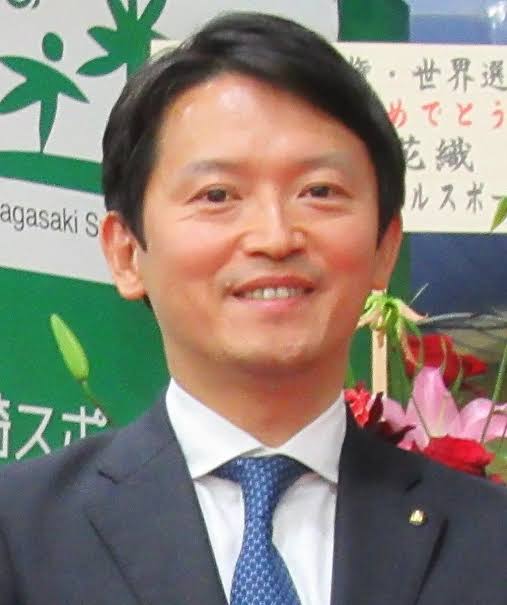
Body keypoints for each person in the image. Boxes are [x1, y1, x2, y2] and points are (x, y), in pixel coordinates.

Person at [0, 12, 505, 605]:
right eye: (218, 195)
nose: (275, 236)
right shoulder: (19, 535)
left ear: (385, 248)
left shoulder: (489, 541)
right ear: (127, 252)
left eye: (319, 191)